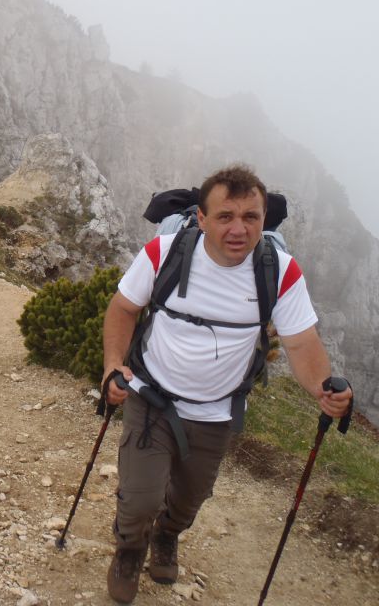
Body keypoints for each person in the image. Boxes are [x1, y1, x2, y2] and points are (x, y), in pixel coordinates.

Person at [100, 164, 353, 604]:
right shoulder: (163, 253)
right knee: (139, 497)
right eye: (225, 216)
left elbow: (301, 342)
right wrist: (112, 366)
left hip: (217, 411)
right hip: (150, 395)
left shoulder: (281, 272)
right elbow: (123, 309)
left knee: (190, 498)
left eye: (251, 217)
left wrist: (323, 391)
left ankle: (168, 535)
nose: (239, 229)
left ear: (263, 219)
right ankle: (129, 549)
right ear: (201, 218)